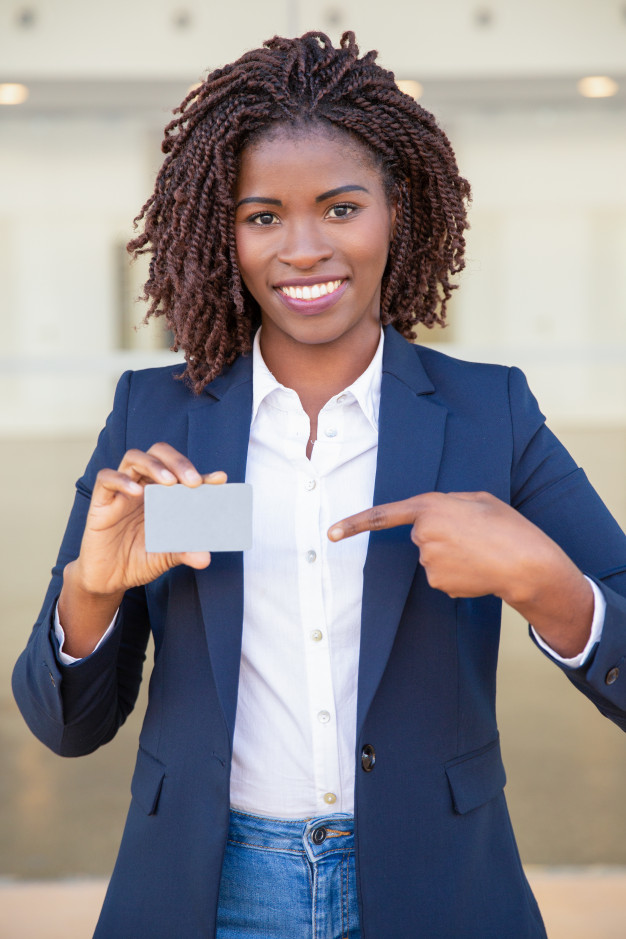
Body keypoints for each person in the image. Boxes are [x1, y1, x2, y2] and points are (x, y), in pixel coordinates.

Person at [12, 30, 626, 939]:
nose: (302, 248)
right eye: (263, 216)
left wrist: (545, 585)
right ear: (224, 234)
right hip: (209, 893)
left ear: (396, 215)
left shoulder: (488, 412)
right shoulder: (156, 418)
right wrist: (92, 590)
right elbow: (64, 726)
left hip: (436, 890)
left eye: (341, 209)